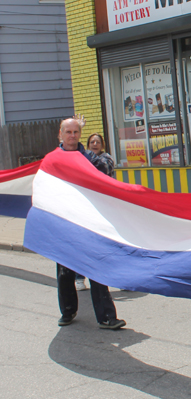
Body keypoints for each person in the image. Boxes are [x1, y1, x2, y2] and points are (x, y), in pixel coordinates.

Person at [57, 118, 126, 330]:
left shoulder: (90, 157)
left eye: (76, 132)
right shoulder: (53, 159)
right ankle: (68, 311)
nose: (72, 135)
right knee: (65, 271)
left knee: (96, 268)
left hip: (88, 222)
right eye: (68, 132)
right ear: (60, 135)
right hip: (64, 222)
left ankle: (106, 317)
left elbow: (104, 174)